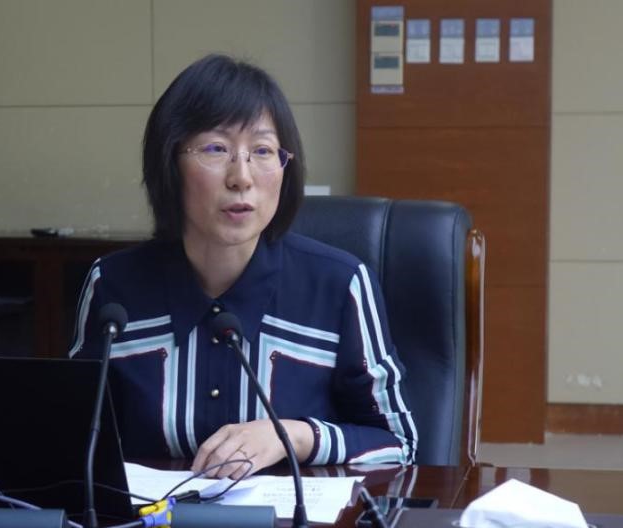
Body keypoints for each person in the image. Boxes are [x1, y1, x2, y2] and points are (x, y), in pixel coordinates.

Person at [71, 54, 416, 479]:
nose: (241, 177)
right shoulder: (112, 288)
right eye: (216, 148)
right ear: (169, 164)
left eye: (262, 151)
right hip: (152, 520)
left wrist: (294, 436)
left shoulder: (340, 286)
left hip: (293, 521)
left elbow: (400, 445)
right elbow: (73, 443)